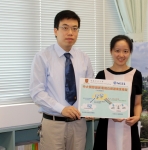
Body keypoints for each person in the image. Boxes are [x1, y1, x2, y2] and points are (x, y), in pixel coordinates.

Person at [29, 10, 94, 150]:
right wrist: (62, 109)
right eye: (65, 27)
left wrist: (93, 109)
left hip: (79, 124)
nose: (70, 32)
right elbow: (37, 92)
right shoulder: (42, 57)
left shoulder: (84, 58)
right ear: (55, 31)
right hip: (53, 124)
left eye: (74, 28)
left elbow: (91, 90)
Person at [93, 35, 142, 150]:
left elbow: (137, 103)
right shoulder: (102, 75)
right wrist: (109, 114)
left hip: (129, 127)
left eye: (125, 51)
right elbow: (96, 105)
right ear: (111, 51)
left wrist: (137, 116)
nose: (121, 55)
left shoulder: (136, 74)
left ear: (130, 52)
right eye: (117, 51)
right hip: (106, 129)